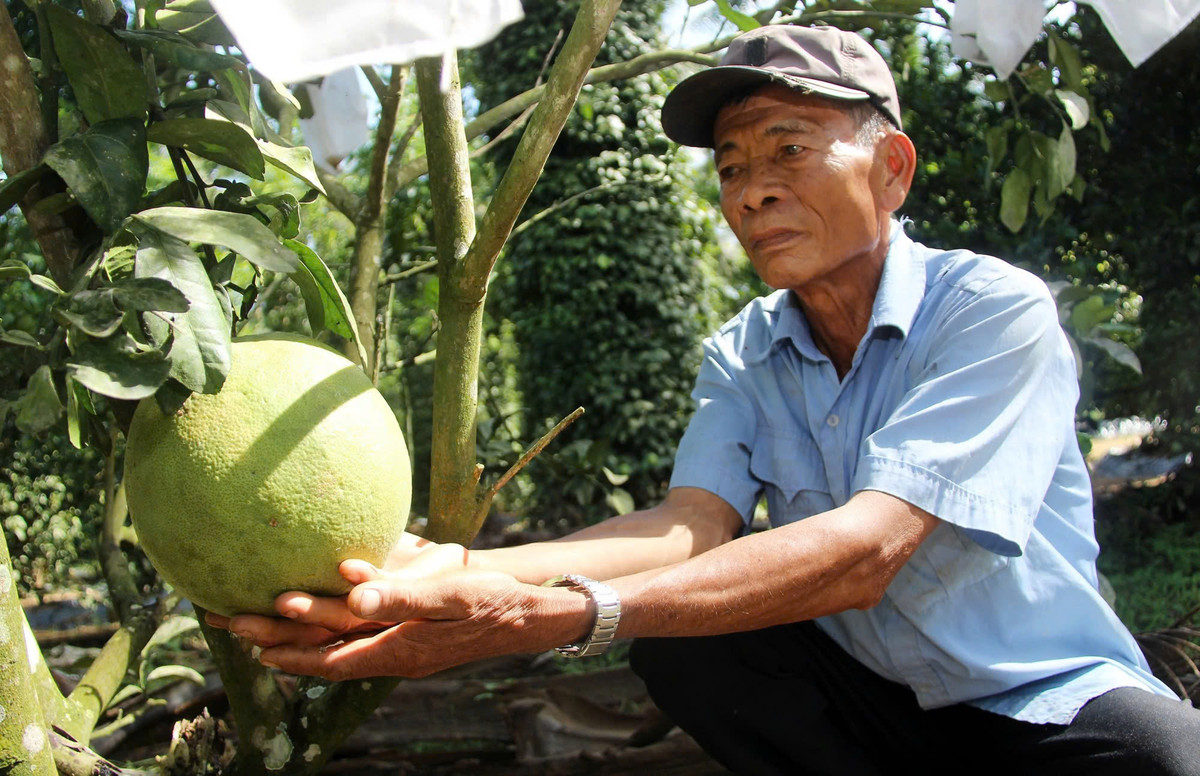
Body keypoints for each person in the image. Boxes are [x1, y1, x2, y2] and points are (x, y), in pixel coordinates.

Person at [208, 24, 1200, 775]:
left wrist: (550, 615)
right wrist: (465, 568)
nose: (751, 191)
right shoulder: (745, 348)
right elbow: (689, 528)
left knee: (1163, 758)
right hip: (866, 696)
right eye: (731, 167)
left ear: (891, 168)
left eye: (788, 150)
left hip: (1035, 696)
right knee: (696, 657)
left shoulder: (991, 312)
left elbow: (869, 549)